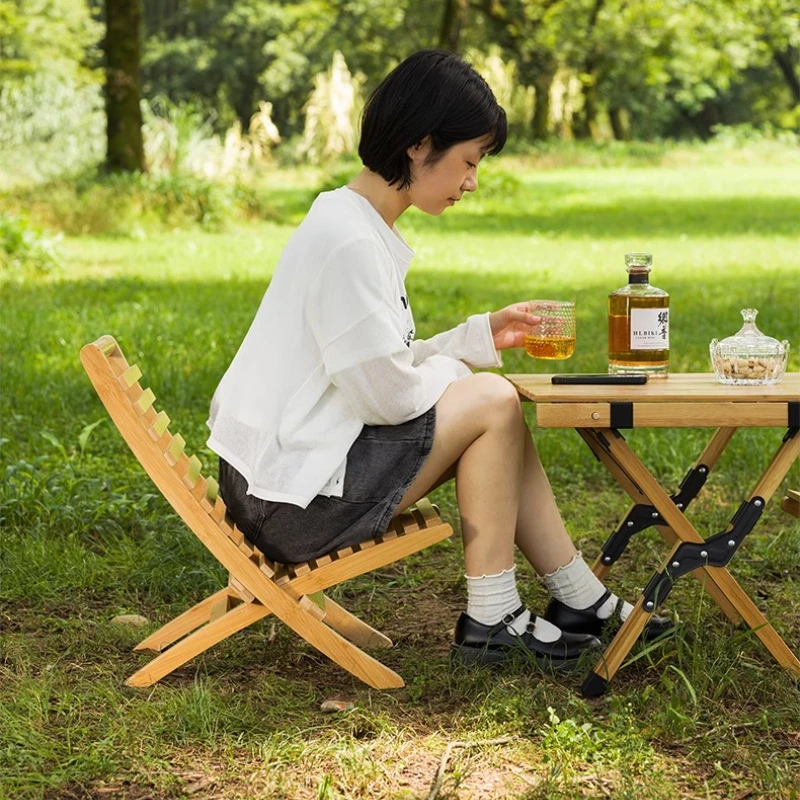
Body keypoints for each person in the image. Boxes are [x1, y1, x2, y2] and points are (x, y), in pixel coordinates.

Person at [206, 49, 670, 673]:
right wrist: (463, 375)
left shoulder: (350, 221)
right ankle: (493, 617)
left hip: (288, 477)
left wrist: (478, 337)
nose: (472, 181)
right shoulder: (348, 242)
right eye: (469, 160)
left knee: (490, 405)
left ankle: (575, 601)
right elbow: (389, 399)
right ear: (421, 145)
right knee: (492, 402)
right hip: (289, 504)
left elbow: (376, 367)